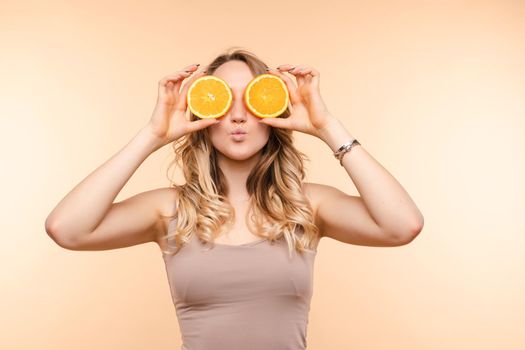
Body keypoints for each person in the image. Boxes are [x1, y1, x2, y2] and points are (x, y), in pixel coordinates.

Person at [45, 48, 424, 349]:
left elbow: (402, 225)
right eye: (222, 101)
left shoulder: (307, 207)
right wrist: (152, 135)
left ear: (273, 111)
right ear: (203, 113)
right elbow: (67, 228)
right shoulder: (171, 210)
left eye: (253, 99)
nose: (238, 116)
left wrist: (327, 127)